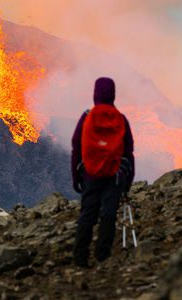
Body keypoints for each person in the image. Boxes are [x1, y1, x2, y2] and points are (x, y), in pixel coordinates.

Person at [71, 77, 135, 268]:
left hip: (90, 173)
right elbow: (128, 152)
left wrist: (76, 176)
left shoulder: (87, 116)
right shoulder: (120, 119)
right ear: (113, 94)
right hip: (114, 175)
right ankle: (102, 256)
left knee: (87, 214)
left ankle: (80, 258)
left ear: (95, 93)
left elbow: (76, 146)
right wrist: (127, 181)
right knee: (108, 214)